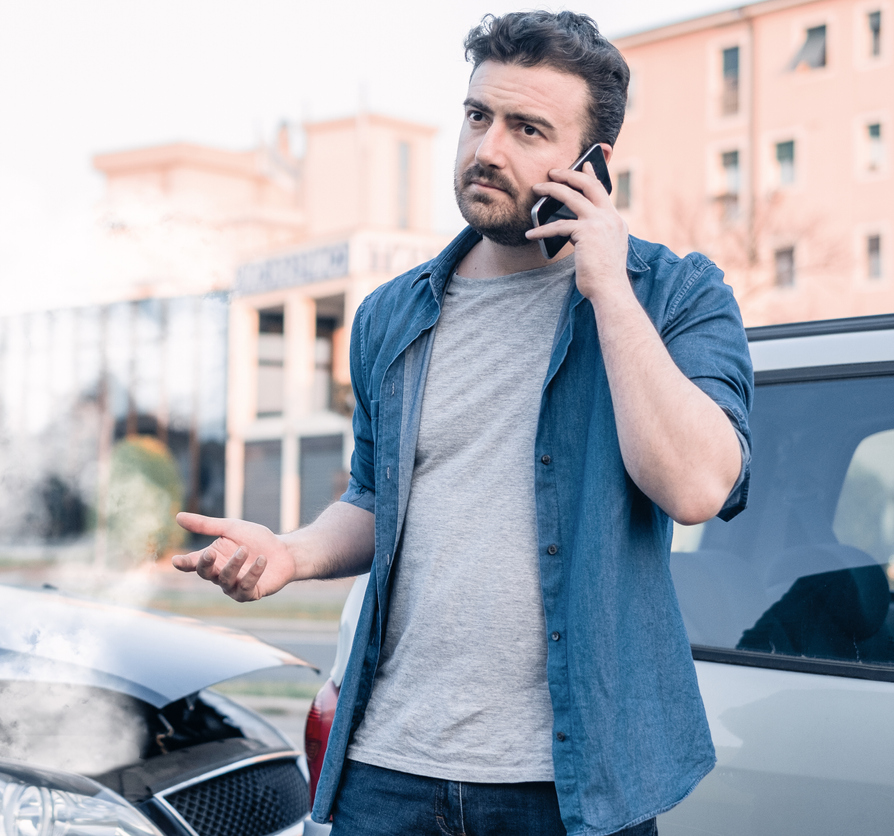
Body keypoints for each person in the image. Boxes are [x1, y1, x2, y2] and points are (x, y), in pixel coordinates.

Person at [173, 11, 752, 836]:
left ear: (594, 164)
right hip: (390, 770)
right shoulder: (390, 315)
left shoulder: (676, 297)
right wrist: (291, 554)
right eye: (479, 116)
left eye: (528, 129)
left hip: (571, 788)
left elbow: (696, 485)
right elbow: (378, 501)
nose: (488, 148)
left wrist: (611, 291)